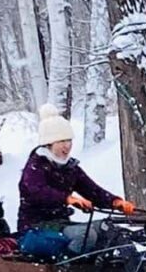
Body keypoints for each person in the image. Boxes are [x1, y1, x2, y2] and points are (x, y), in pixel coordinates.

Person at [17, 103, 136, 257]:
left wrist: (116, 202)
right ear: (48, 144)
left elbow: (93, 190)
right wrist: (67, 199)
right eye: (61, 141)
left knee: (110, 229)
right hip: (36, 229)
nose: (67, 146)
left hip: (62, 225)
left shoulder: (70, 168)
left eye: (69, 140)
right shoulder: (35, 166)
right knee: (86, 235)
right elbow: (37, 191)